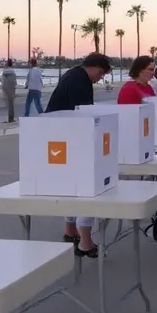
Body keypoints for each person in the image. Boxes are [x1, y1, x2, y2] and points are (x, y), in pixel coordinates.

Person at [46, 53, 113, 257]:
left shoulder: (73, 74)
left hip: (60, 136)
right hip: (71, 137)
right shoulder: (79, 80)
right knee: (87, 187)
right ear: (92, 66)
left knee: (72, 186)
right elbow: (84, 113)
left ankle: (70, 232)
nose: (100, 77)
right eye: (100, 73)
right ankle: (85, 241)